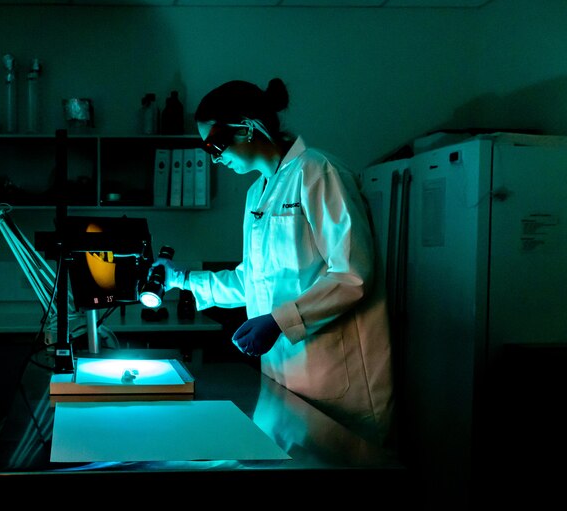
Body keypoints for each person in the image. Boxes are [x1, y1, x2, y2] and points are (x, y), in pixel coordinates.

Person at [154, 78, 394, 446]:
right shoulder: (258, 194)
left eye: (215, 144)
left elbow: (352, 275)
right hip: (284, 378)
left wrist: (279, 320)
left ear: (247, 128)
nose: (214, 157)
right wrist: (181, 279)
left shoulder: (318, 172)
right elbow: (250, 280)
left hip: (334, 380)